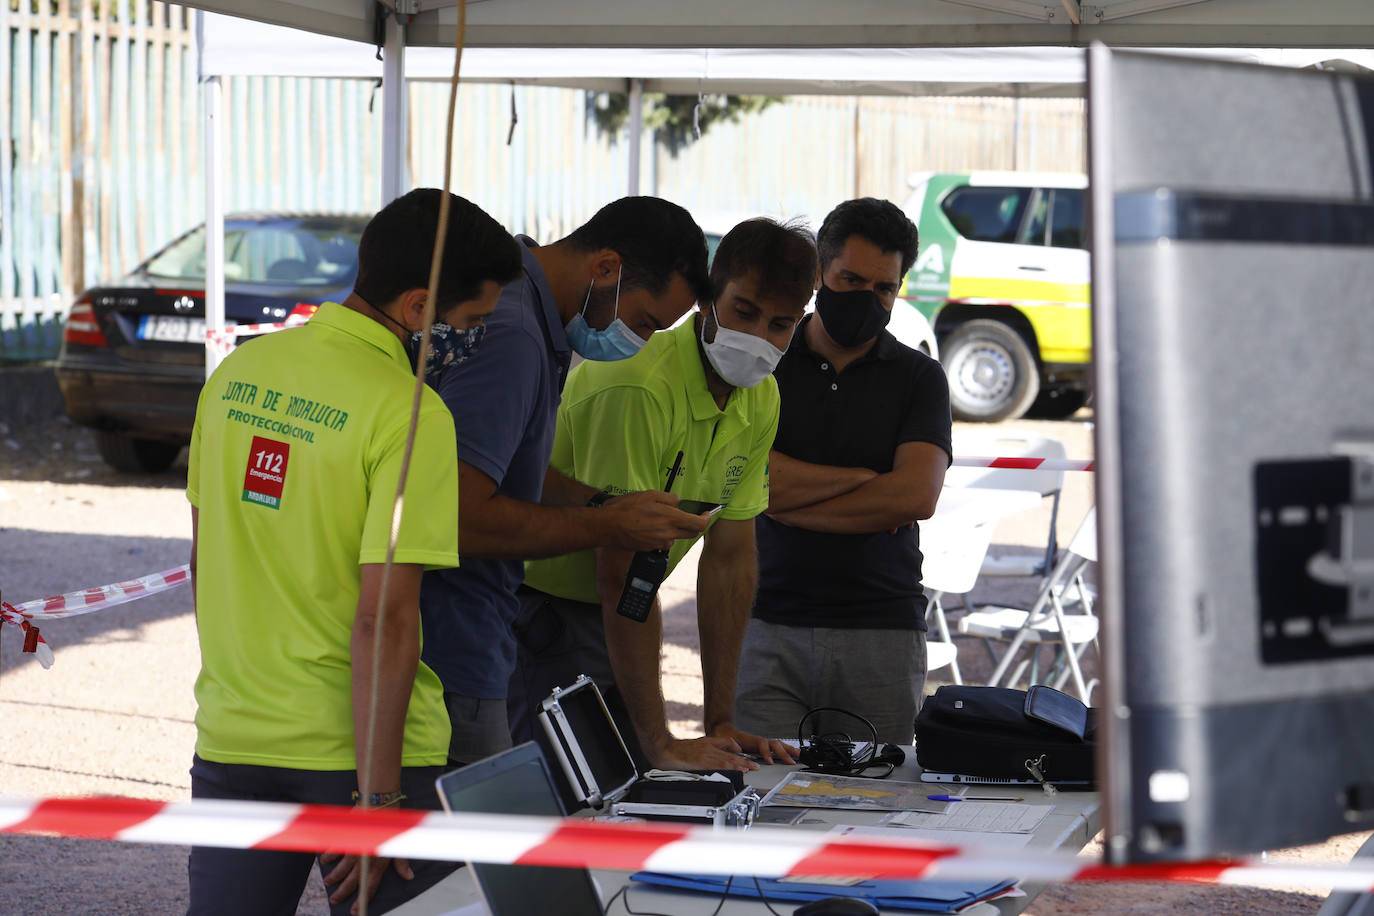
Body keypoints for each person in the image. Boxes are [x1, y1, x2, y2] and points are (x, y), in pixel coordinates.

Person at [184, 189, 522, 916]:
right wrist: (378, 800)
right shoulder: (411, 414)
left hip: (235, 736)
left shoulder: (234, 377)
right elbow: (387, 621)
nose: (475, 340)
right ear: (419, 307)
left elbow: (205, 563)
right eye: (472, 323)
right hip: (360, 758)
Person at [510, 217, 819, 771]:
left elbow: (730, 559)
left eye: (780, 324)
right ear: (707, 302)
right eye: (744, 311)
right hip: (545, 614)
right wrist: (660, 741)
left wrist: (719, 721)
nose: (758, 339)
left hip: (618, 610)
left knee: (644, 784)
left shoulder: (761, 396)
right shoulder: (638, 384)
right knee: (582, 801)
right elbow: (621, 570)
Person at [419, 197, 714, 769]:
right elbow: (459, 513)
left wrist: (602, 501)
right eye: (647, 321)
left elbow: (505, 469)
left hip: (465, 636)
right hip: (449, 644)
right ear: (605, 269)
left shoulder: (526, 312)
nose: (644, 341)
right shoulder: (516, 337)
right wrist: (607, 524)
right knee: (459, 852)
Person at [734, 198, 952, 746]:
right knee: (759, 809)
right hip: (763, 620)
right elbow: (743, 479)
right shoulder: (765, 364)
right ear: (818, 275)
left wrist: (779, 496)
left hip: (881, 628)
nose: (868, 299)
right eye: (851, 279)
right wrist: (864, 480)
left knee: (877, 811)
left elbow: (914, 497)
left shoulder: (921, 378)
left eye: (884, 288)